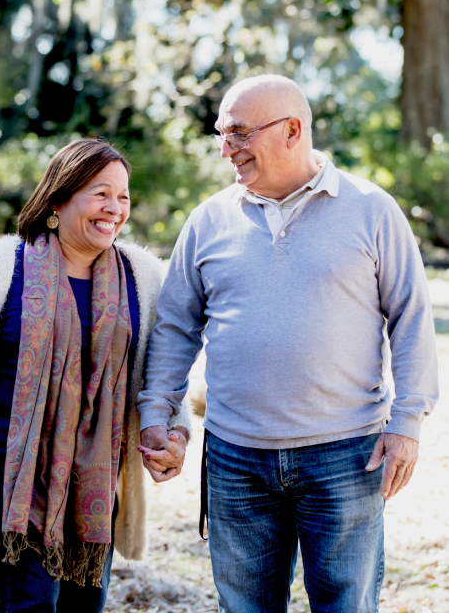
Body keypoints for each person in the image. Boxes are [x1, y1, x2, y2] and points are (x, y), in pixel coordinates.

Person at [136, 75, 439, 612]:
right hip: (235, 457)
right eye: (221, 135)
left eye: (238, 134)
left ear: (293, 130)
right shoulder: (208, 220)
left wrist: (407, 422)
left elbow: (412, 321)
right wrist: (157, 413)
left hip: (347, 456)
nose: (226, 149)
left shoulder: (371, 209)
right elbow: (176, 328)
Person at [0, 138, 191, 613]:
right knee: (30, 601)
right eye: (100, 193)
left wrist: (175, 430)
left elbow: (163, 369)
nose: (115, 208)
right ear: (58, 199)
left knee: (82, 603)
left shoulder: (142, 277)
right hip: (1, 460)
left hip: (93, 471)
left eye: (124, 197)